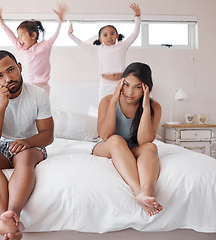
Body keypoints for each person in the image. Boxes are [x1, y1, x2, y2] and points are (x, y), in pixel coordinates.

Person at [0, 50, 54, 240]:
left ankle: (12, 212)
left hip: (30, 144)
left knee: (24, 156)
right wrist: (1, 106)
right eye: (0, 76)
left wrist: (27, 142)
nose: (8, 78)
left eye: (11, 70)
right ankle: (6, 221)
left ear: (19, 67)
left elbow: (48, 135)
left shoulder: (38, 94)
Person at [92, 62, 163, 217]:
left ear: (146, 88)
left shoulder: (154, 107)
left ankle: (147, 192)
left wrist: (145, 108)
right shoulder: (107, 101)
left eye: (137, 87)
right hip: (108, 146)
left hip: (133, 148)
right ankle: (139, 192)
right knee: (117, 140)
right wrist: (113, 102)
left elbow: (144, 141)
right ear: (120, 84)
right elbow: (105, 135)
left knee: (151, 148)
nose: (130, 92)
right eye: (127, 85)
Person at [68, 3, 141, 102]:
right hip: (105, 84)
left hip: (120, 83)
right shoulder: (99, 49)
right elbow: (82, 44)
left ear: (117, 36)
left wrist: (138, 17)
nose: (109, 37)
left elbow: (135, 34)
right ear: (100, 39)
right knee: (104, 106)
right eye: (105, 35)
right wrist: (71, 35)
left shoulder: (122, 46)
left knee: (120, 107)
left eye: (112, 33)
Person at [0, 3, 67, 95]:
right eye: (18, 37)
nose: (19, 40)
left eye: (21, 36)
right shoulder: (22, 49)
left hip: (43, 85)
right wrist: (2, 23)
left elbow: (55, 35)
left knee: (43, 106)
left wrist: (60, 20)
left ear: (33, 35)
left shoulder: (44, 46)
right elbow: (11, 36)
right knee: (30, 106)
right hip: (28, 85)